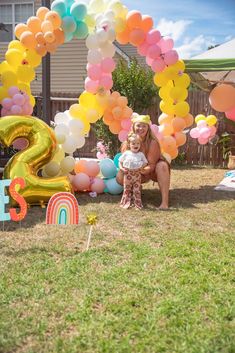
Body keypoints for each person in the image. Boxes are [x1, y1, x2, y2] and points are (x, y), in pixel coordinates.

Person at [117, 114, 170, 209]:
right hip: (133, 171)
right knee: (120, 177)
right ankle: (132, 193)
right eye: (138, 125)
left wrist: (141, 170)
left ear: (148, 128)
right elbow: (124, 161)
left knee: (162, 165)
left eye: (144, 126)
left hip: (151, 171)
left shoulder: (152, 142)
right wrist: (127, 170)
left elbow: (152, 164)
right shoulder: (127, 142)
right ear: (133, 127)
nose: (141, 128)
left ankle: (164, 203)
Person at [119, 133, 148, 209]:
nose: (136, 145)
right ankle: (125, 203)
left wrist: (141, 167)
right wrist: (122, 168)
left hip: (137, 175)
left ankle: (137, 204)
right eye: (133, 143)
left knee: (137, 190)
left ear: (140, 145)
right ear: (129, 144)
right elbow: (120, 161)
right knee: (127, 189)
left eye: (138, 143)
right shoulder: (126, 153)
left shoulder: (141, 154)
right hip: (128, 174)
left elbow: (145, 162)